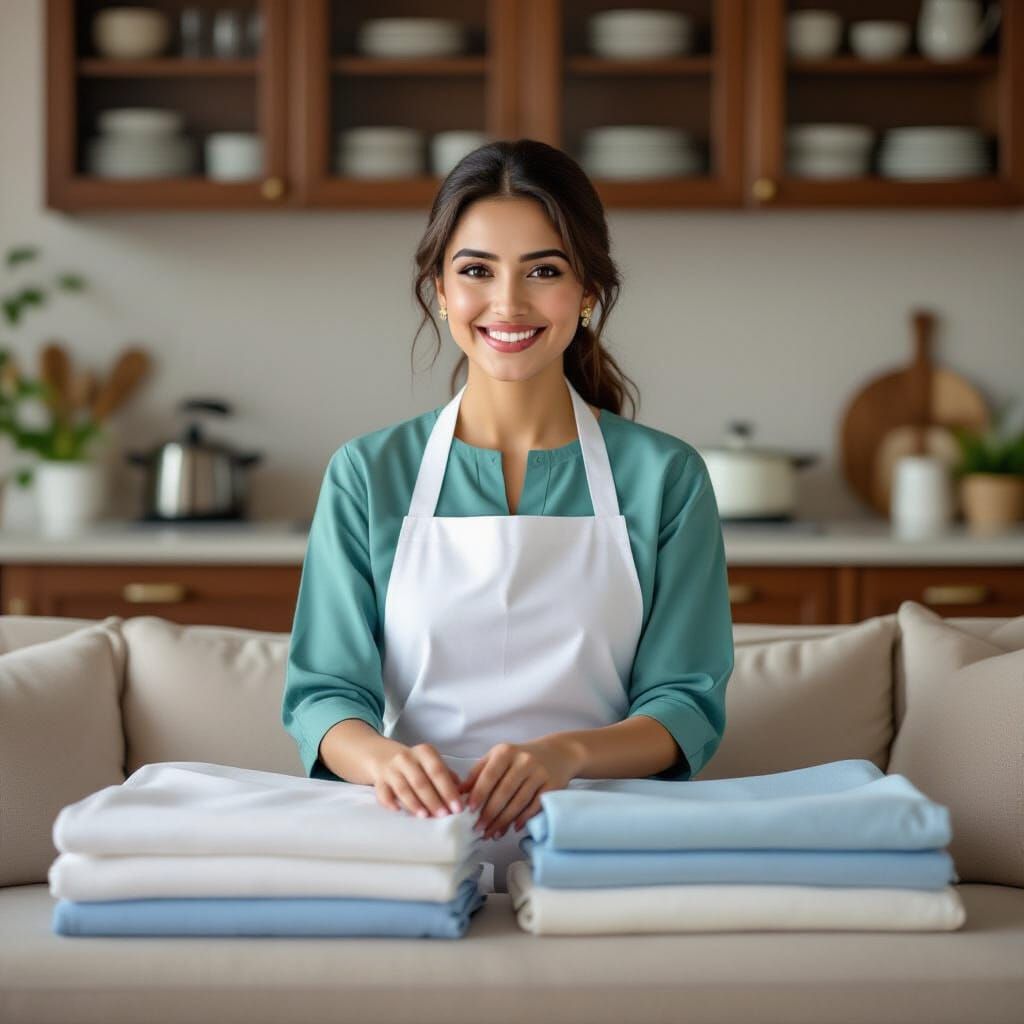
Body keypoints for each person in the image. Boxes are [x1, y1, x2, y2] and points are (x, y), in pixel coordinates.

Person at [282, 139, 734, 894]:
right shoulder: (368, 473)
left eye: (544, 271)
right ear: (439, 289)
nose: (509, 305)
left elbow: (685, 703)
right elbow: (324, 693)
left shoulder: (664, 477)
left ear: (587, 290)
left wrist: (568, 755)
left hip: (602, 841)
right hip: (411, 843)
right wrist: (385, 759)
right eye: (476, 271)